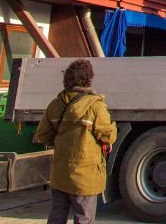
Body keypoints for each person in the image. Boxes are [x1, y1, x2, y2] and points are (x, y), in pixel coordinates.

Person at [34, 59, 117, 224]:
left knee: (56, 217)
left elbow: (43, 136)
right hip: (85, 177)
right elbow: (108, 136)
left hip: (60, 174)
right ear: (88, 79)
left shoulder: (55, 104)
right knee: (84, 218)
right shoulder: (95, 106)